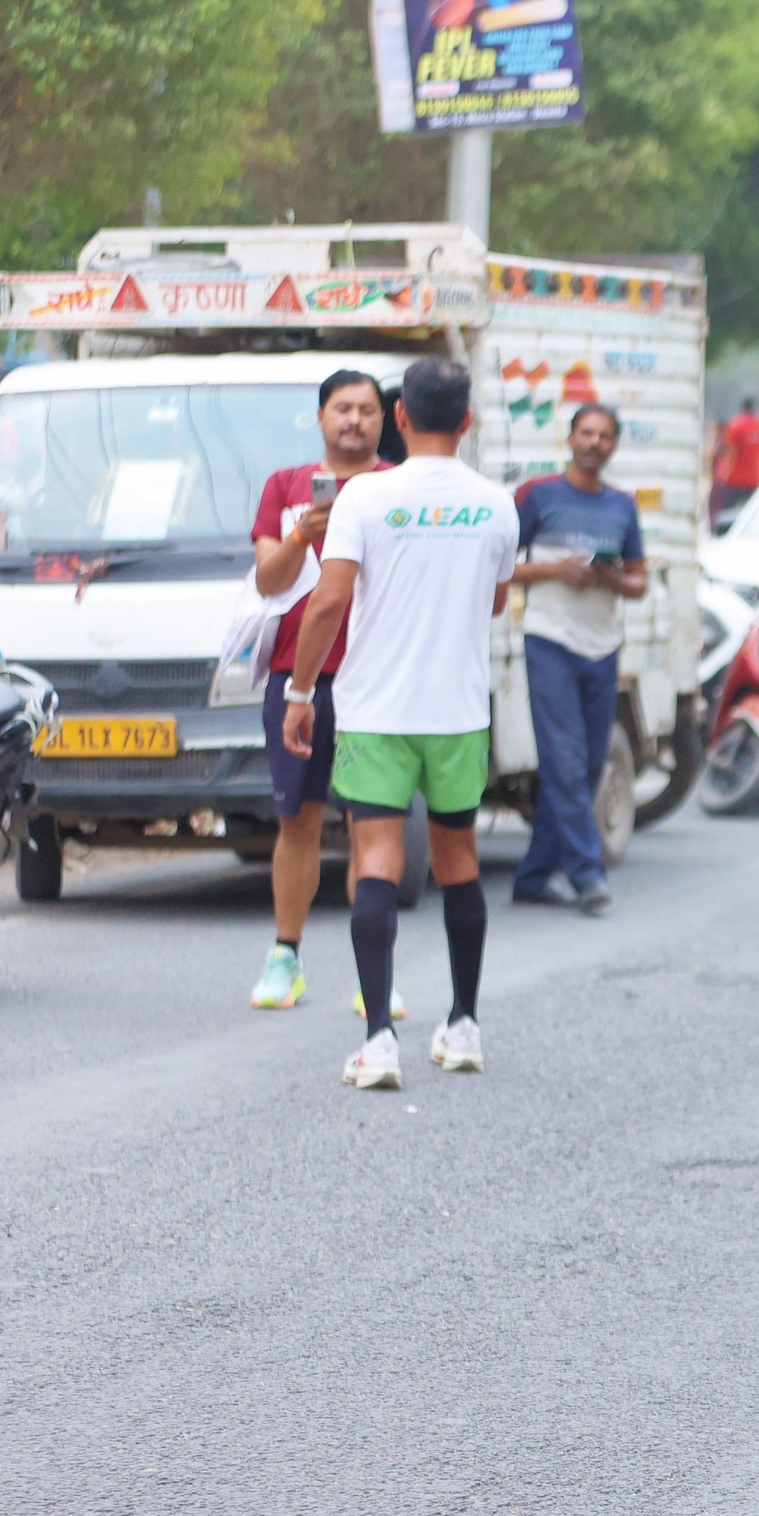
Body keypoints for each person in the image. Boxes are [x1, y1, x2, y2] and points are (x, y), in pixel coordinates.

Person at [282, 357, 519, 1091]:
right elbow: (496, 600)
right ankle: (464, 1025)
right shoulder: (497, 504)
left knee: (377, 859)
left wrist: (300, 691)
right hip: (457, 712)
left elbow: (328, 602)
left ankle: (379, 1041)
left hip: (377, 711)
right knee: (459, 860)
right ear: (467, 421)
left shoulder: (365, 496)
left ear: (401, 417)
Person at [245, 370, 392, 1011]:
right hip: (295, 679)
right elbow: (268, 582)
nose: (354, 419)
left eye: (366, 409)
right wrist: (304, 532)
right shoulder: (285, 486)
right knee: (296, 823)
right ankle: (285, 957)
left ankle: (375, 974)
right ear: (320, 417)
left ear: (385, 419)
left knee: (371, 827)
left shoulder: (398, 488)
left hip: (377, 678)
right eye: (342, 408)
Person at [511, 402, 647, 915]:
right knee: (564, 761)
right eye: (587, 433)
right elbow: (500, 567)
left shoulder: (622, 506)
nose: (595, 443)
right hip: (549, 641)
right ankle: (588, 874)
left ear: (614, 446)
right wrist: (555, 570)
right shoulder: (539, 496)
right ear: (569, 439)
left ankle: (533, 876)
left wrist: (610, 578)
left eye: (605, 435)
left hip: (602, 647)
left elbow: (639, 582)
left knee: (587, 765)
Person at [713, 396, 759, 526]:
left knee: (727, 516)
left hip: (736, 479)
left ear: (743, 408)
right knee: (754, 516)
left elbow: (730, 451)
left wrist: (723, 474)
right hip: (757, 479)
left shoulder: (736, 425)